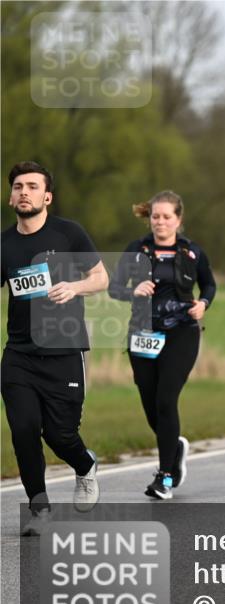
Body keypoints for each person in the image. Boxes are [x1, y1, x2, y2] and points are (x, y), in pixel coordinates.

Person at [2, 161, 106, 534]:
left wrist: (74, 287)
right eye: (17, 186)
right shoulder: (4, 243)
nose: (23, 192)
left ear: (47, 196)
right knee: (24, 429)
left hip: (64, 352)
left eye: (31, 186)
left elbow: (100, 277)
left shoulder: (68, 234)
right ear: (11, 195)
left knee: (60, 436)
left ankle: (84, 465)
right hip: (19, 354)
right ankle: (40, 509)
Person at [109, 191, 216, 499]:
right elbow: (115, 288)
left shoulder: (193, 252)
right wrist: (135, 291)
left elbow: (209, 283)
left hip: (182, 331)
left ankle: (165, 476)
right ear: (150, 218)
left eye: (167, 216)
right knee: (150, 403)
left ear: (178, 220)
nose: (160, 221)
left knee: (166, 400)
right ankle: (174, 447)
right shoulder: (136, 250)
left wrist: (204, 303)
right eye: (156, 216)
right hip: (142, 332)